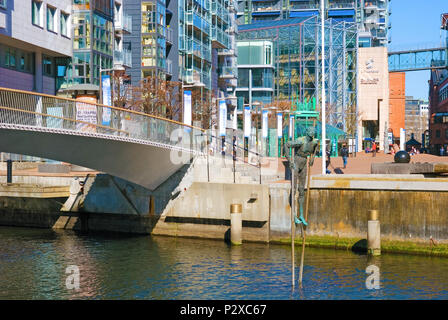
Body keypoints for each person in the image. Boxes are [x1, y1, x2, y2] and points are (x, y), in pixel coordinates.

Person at [285, 127, 319, 226]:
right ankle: (294, 214)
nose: (312, 133)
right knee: (294, 189)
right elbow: (286, 145)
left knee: (301, 190)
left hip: (304, 163)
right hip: (296, 162)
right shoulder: (300, 141)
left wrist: (312, 159)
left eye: (314, 131)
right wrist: (289, 160)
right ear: (307, 132)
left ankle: (301, 215)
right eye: (311, 131)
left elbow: (315, 149)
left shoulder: (315, 142)